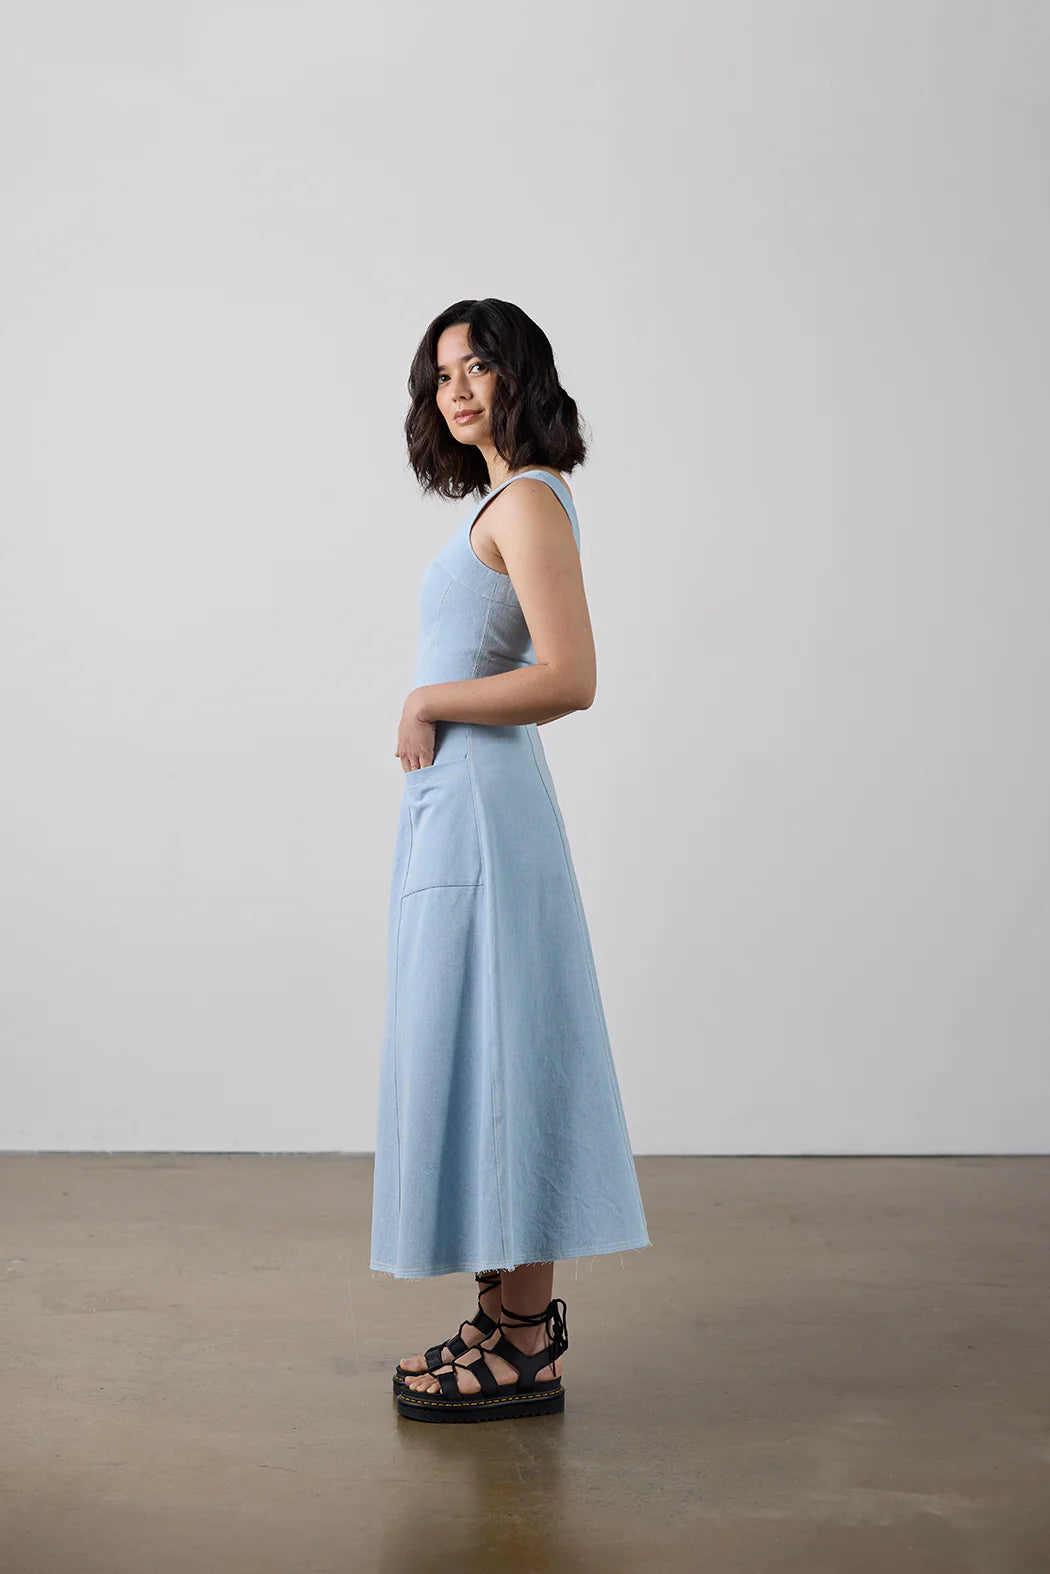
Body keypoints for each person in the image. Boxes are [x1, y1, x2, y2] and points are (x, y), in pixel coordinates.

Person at [370, 298, 650, 1423]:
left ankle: (526, 1341)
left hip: (486, 815)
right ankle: (502, 1320)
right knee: (481, 1046)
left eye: (478, 365)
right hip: (463, 812)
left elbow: (570, 675)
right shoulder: (502, 501)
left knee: (509, 1051)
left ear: (519, 374)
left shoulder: (528, 499)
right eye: (442, 372)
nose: (458, 388)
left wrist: (429, 697)